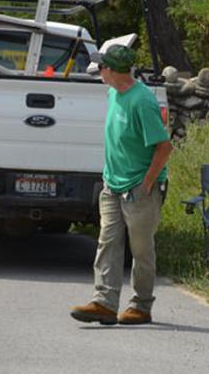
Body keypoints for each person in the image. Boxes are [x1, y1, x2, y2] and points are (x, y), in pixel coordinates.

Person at [70, 44, 173, 326]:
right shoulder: (113, 93)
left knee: (140, 249)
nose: (97, 70)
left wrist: (146, 184)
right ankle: (104, 302)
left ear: (113, 70)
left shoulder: (142, 102)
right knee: (107, 243)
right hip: (113, 185)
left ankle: (141, 306)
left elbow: (164, 148)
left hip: (140, 188)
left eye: (101, 67)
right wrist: (108, 177)